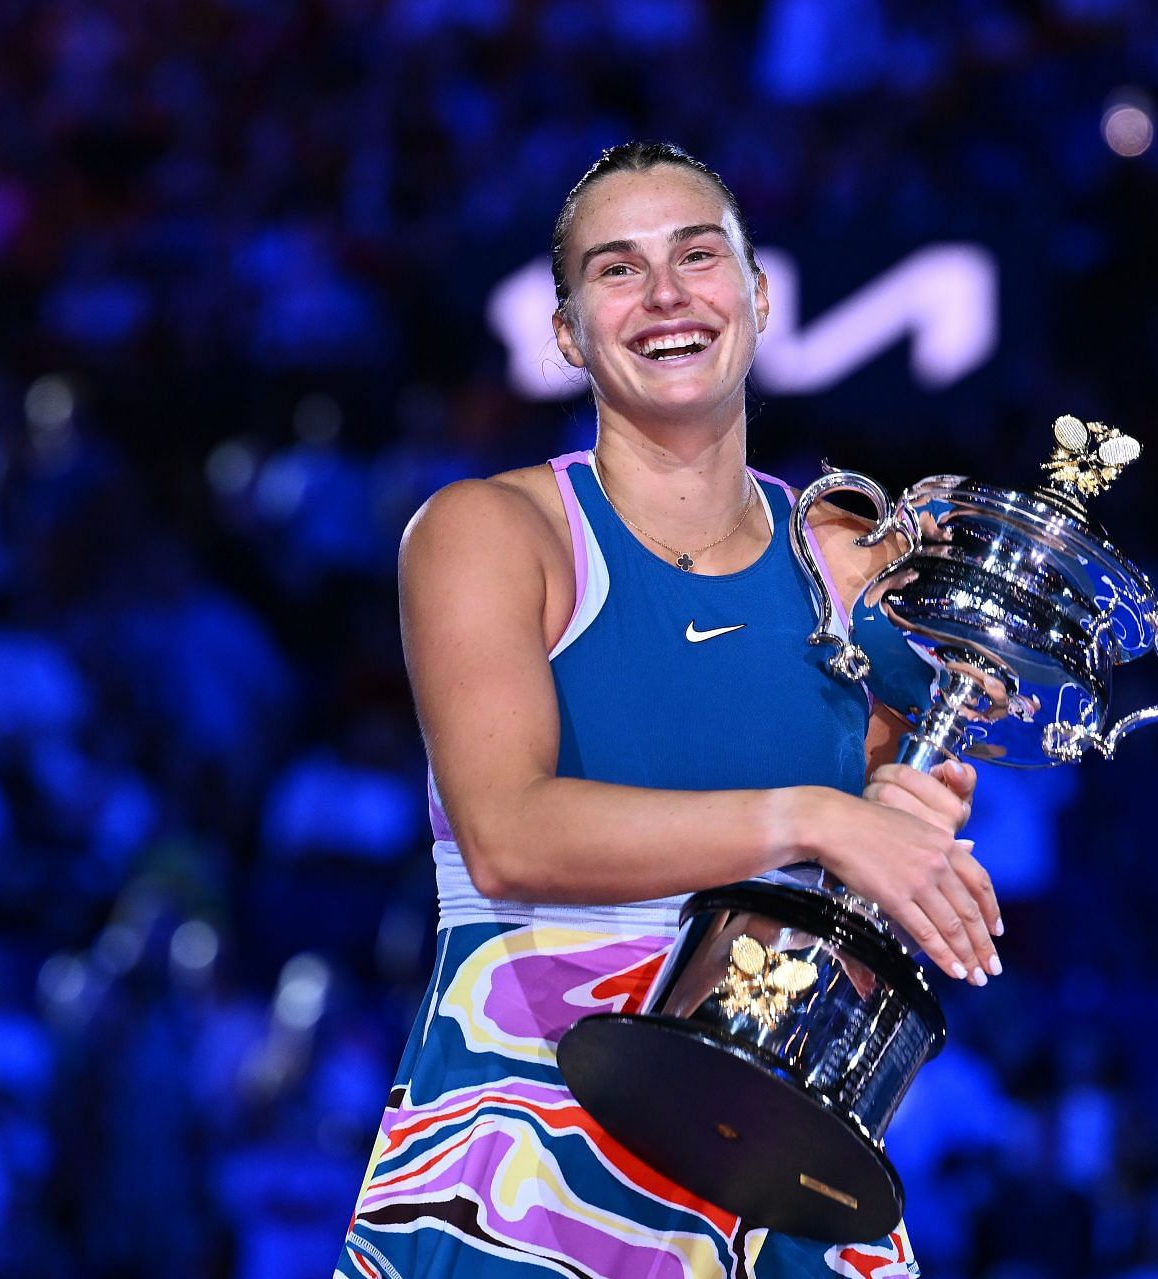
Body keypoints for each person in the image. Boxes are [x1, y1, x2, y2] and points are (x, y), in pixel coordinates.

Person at [334, 141, 1000, 1278]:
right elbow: (507, 835)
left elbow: (842, 907)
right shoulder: (491, 534)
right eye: (617, 270)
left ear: (759, 295)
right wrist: (824, 817)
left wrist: (904, 836)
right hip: (532, 1163)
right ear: (565, 333)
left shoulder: (853, 573)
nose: (666, 297)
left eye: (699, 256)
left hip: (774, 1164)